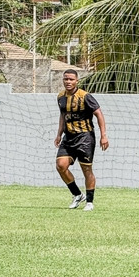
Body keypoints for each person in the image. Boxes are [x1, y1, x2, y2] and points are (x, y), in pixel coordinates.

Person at [55, 69, 109, 211]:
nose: (68, 82)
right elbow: (63, 116)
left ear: (77, 81)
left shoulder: (85, 96)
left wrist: (103, 135)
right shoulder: (60, 97)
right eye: (66, 79)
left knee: (86, 169)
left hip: (85, 137)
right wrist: (59, 134)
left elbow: (99, 114)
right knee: (61, 165)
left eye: (71, 79)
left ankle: (89, 202)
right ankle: (77, 195)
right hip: (68, 138)